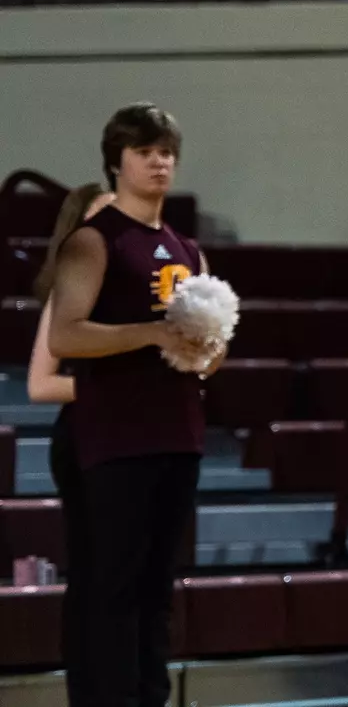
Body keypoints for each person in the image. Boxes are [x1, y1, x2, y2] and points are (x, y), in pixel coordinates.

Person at [48, 104, 220, 707]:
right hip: (117, 439)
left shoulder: (188, 249)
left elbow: (209, 354)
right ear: (116, 162)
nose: (160, 161)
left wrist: (206, 348)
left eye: (167, 150)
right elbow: (64, 336)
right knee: (114, 589)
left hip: (179, 434)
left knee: (157, 591)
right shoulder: (94, 240)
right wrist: (151, 333)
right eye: (146, 151)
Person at [27, 183, 115, 707]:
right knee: (92, 576)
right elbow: (40, 384)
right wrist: (124, 388)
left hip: (128, 439)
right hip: (86, 441)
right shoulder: (72, 287)